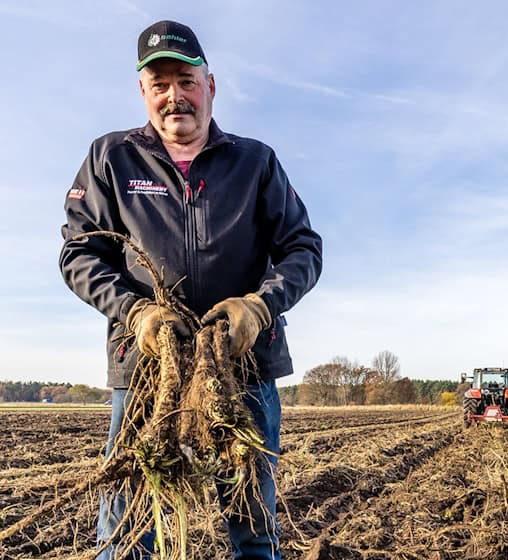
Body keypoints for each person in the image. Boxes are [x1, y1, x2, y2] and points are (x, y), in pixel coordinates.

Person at [58, 20, 322, 560]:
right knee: (128, 526)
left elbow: (303, 249)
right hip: (146, 371)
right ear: (143, 91)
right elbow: (79, 254)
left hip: (244, 367)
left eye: (186, 81)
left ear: (210, 85)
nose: (174, 96)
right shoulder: (112, 158)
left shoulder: (255, 162)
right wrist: (135, 313)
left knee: (253, 525)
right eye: (159, 84)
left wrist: (259, 307)